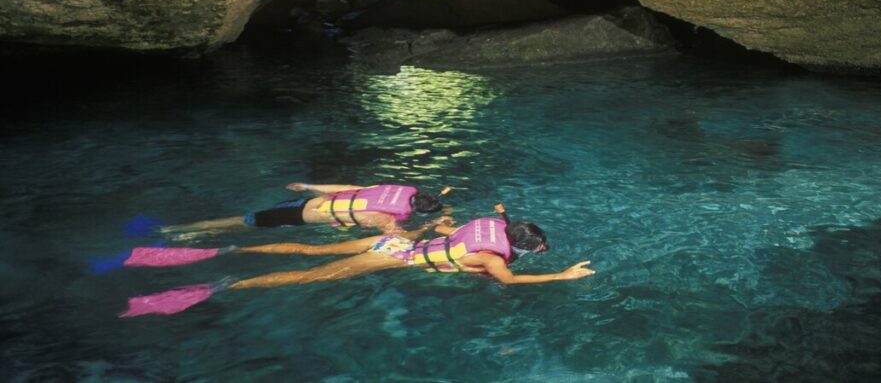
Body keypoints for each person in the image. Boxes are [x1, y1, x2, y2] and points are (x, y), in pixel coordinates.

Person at [119, 208, 596, 317]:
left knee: (309, 252)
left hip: (391, 245)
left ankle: (232, 249)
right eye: (537, 251)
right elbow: (510, 282)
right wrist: (564, 275)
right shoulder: (495, 258)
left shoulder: (485, 228)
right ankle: (222, 285)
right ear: (520, 245)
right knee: (307, 278)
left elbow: (455, 236)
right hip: (393, 261)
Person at [161, 182, 450, 236]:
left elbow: (346, 186)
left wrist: (308, 185)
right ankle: (178, 230)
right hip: (295, 217)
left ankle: (192, 232)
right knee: (241, 223)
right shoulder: (383, 217)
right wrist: (429, 229)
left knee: (247, 219)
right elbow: (395, 238)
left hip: (299, 203)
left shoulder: (385, 192)